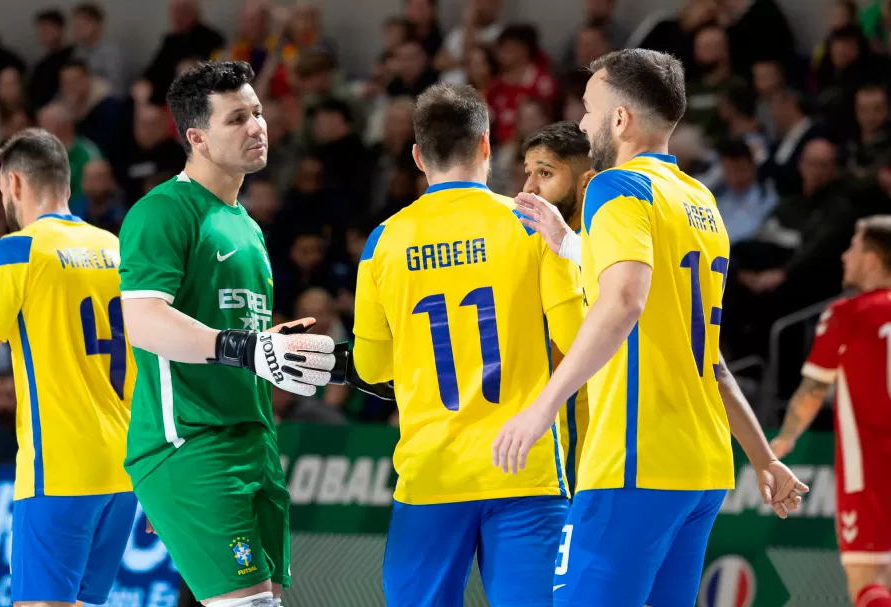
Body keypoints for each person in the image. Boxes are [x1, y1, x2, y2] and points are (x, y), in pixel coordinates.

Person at [493, 49, 808, 606]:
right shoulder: (701, 202)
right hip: (703, 467)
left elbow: (624, 302)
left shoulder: (615, 189)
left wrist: (542, 407)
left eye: (589, 111)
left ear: (620, 119)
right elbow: (704, 354)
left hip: (636, 460)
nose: (584, 124)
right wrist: (763, 458)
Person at [341, 82, 585, 606]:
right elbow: (575, 340)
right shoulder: (532, 223)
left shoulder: (383, 241)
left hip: (431, 474)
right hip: (525, 470)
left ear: (416, 157)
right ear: (485, 145)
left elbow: (371, 364)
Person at [117, 61, 338, 606]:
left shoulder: (247, 224)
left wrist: (284, 348)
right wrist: (243, 346)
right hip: (192, 442)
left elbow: (243, 335)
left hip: (252, 439)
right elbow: (142, 321)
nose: (257, 126)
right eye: (237, 118)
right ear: (196, 138)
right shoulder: (164, 211)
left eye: (258, 112)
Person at [0, 128, 137, 605]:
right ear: (67, 185)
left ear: (13, 184)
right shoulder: (118, 247)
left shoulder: (16, 250)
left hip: (59, 470)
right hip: (126, 471)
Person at [771, 216, 891, 607]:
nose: (844, 256)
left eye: (853, 247)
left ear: (872, 258)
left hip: (870, 473)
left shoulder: (848, 314)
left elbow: (810, 392)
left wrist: (782, 441)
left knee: (868, 584)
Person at [521, 120, 593, 491]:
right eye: (528, 173)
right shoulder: (528, 242)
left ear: (585, 180)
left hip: (586, 428)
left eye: (545, 173)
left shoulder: (611, 250)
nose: (529, 187)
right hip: (554, 431)